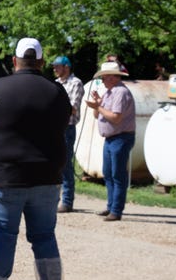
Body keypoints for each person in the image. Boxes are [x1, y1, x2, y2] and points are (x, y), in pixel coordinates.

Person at [0, 37, 71, 280]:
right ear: (42, 62)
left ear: (14, 61)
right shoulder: (58, 91)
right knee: (45, 236)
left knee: (4, 237)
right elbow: (65, 121)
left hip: (6, 177)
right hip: (47, 178)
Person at [85, 61, 136, 222]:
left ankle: (116, 210)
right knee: (108, 173)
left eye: (104, 77)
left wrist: (98, 107)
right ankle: (111, 206)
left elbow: (116, 117)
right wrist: (98, 105)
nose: (102, 81)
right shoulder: (110, 92)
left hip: (121, 137)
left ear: (113, 77)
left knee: (117, 174)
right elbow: (97, 115)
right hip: (112, 138)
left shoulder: (120, 92)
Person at [51, 56, 84, 213]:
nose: (55, 69)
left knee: (65, 164)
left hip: (67, 127)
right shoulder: (56, 84)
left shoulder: (75, 83)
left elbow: (73, 107)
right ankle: (55, 198)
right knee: (54, 163)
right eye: (54, 66)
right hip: (55, 127)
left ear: (66, 67)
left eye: (57, 66)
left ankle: (67, 200)